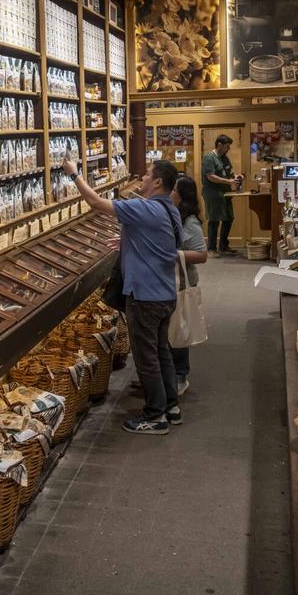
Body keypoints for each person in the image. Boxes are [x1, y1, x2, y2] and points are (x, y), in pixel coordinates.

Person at [62, 157, 182, 435]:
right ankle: (171, 407)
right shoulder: (170, 210)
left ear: (158, 182)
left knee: (146, 357)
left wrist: (74, 175)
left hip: (145, 296)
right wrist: (128, 240)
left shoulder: (144, 208)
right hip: (165, 293)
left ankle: (155, 416)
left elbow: (96, 204)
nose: (142, 178)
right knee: (162, 352)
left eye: (147, 174)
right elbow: (159, 242)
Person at [170, 175, 208, 395]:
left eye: (174, 189)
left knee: (180, 328)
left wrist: (171, 255)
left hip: (183, 281)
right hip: (173, 279)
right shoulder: (174, 215)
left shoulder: (190, 221)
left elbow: (202, 255)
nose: (170, 193)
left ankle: (180, 375)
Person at [202, 134, 240, 255]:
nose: (228, 149)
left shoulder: (224, 157)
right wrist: (228, 181)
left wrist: (236, 176)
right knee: (214, 220)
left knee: (229, 218)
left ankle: (223, 246)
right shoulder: (209, 158)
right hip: (213, 193)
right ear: (219, 145)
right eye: (227, 146)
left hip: (225, 192)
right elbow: (210, 176)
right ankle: (211, 248)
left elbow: (230, 171)